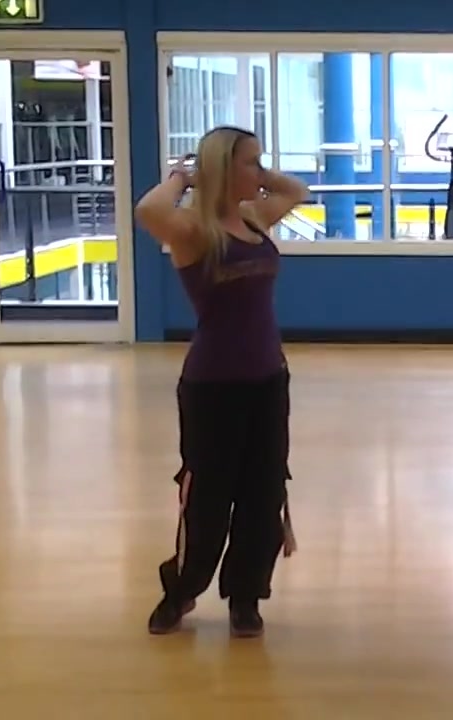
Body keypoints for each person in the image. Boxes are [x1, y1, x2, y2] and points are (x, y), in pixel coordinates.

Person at [135, 126, 308, 638]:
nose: (261, 171)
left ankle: (246, 598)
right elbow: (148, 209)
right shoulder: (192, 230)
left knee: (264, 494)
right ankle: (182, 590)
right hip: (212, 387)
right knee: (207, 501)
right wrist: (183, 178)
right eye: (251, 162)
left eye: (260, 161)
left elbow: (296, 190)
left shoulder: (252, 218)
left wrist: (257, 175)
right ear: (223, 168)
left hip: (268, 380)